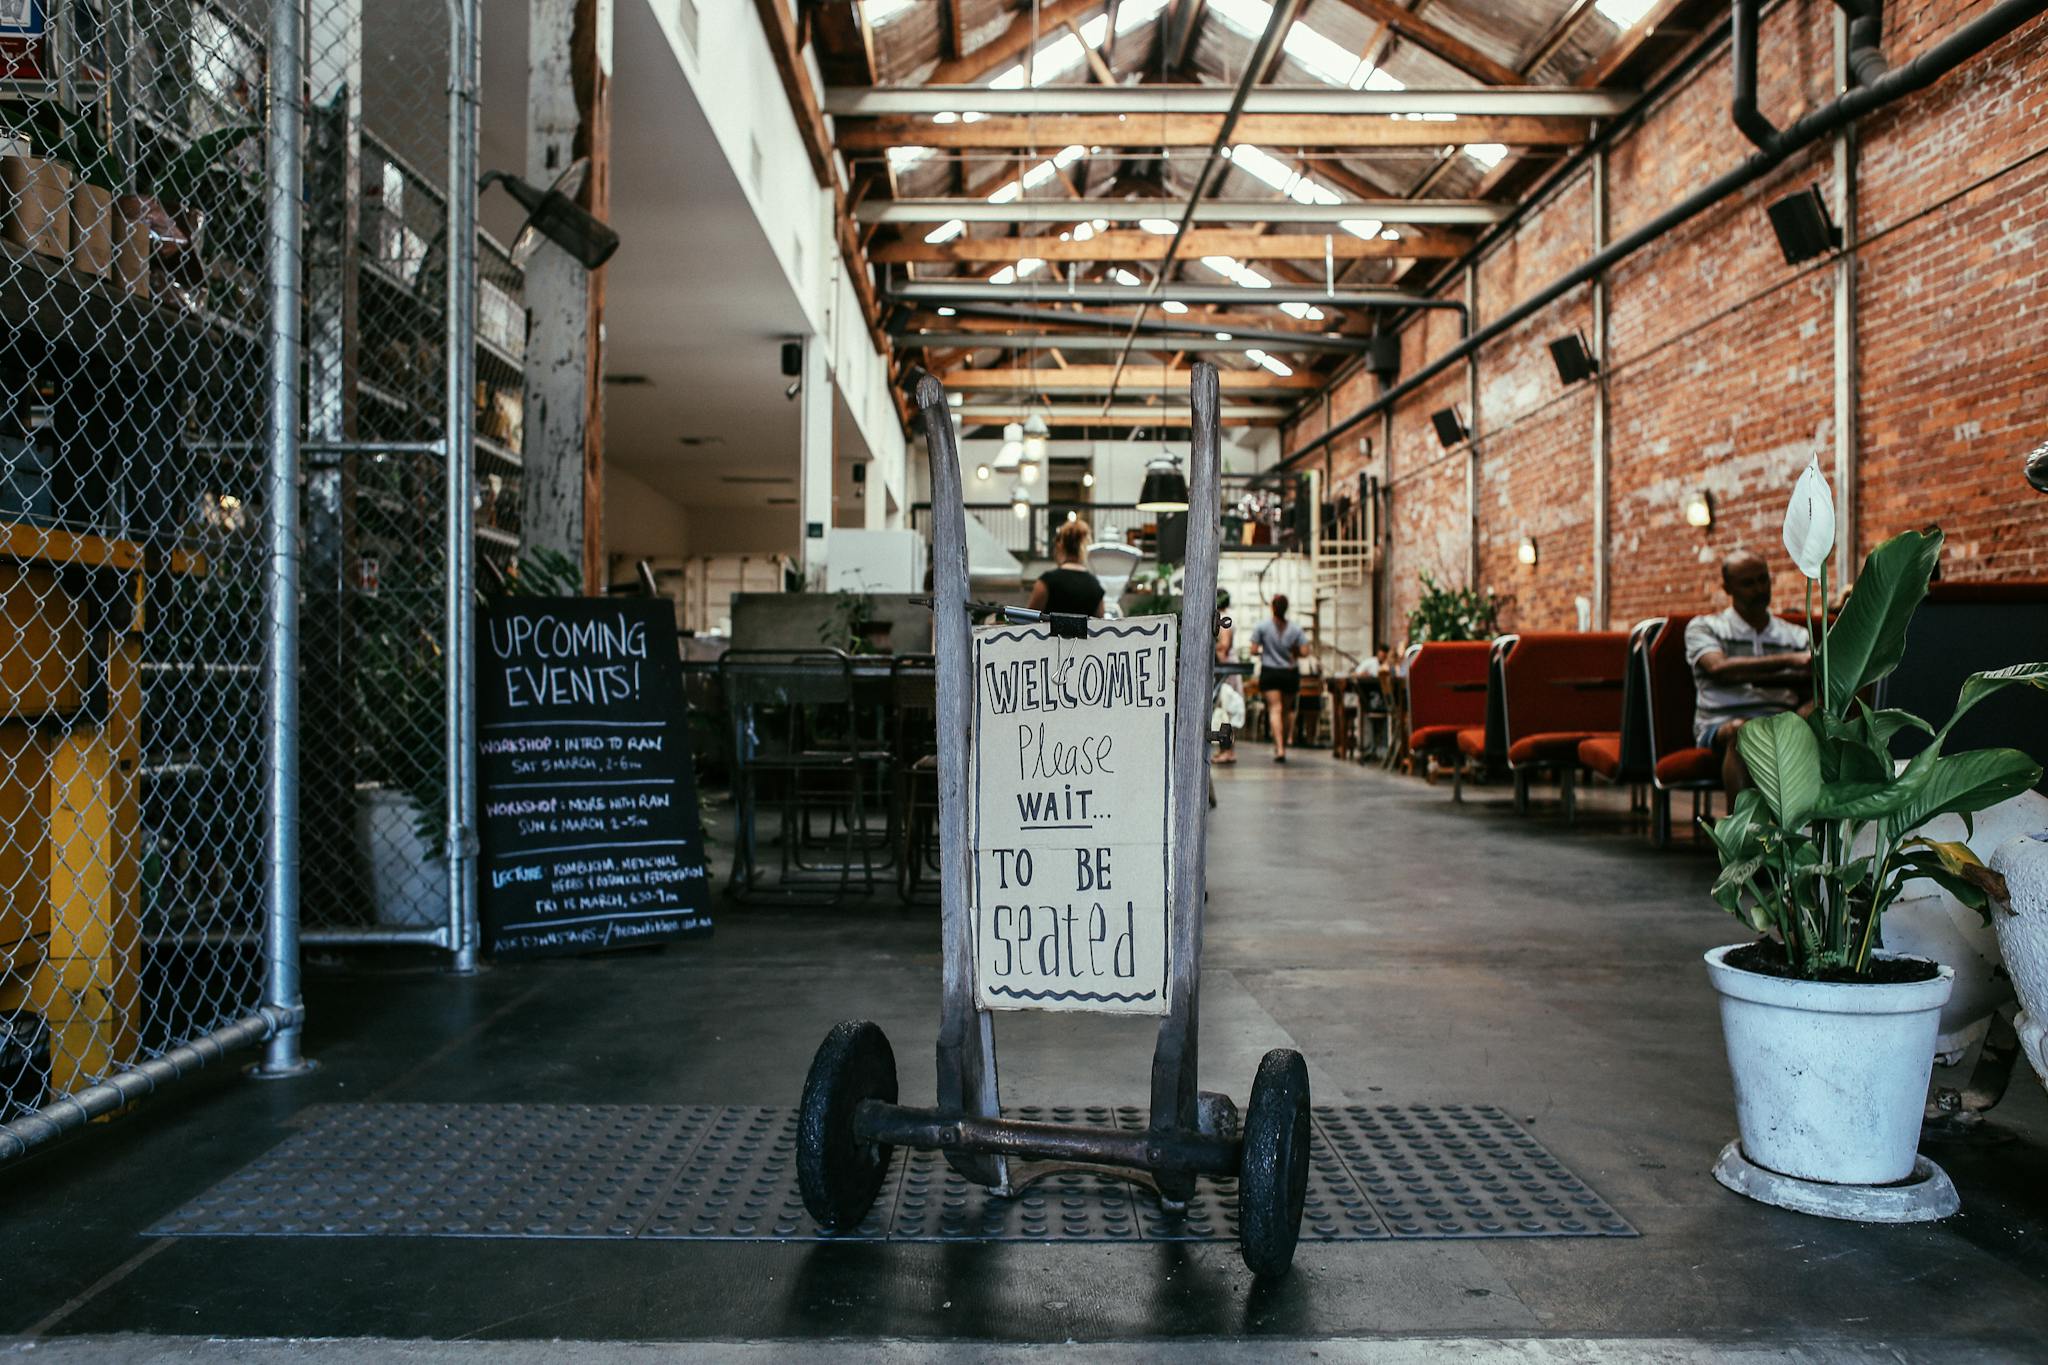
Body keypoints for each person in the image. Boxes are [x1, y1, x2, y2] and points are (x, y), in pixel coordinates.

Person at [1685, 550, 1813, 795]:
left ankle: (1816, 828)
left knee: (1821, 716)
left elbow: (1808, 679)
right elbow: (1718, 669)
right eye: (1748, 583)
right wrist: (1791, 661)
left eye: (1763, 579)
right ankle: (1743, 830)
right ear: (1727, 588)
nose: (1759, 589)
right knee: (1744, 731)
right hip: (1721, 724)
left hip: (1781, 719)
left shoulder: (1795, 634)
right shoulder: (1705, 627)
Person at [1251, 593, 1307, 763]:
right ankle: (1283, 743)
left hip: (1270, 671)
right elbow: (1304, 652)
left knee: (1274, 708)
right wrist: (1292, 653)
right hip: (1289, 672)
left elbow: (1253, 650)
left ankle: (1279, 748)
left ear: (1273, 608)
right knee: (1286, 710)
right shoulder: (1296, 629)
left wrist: (1265, 652)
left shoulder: (1262, 627)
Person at [1027, 518, 1106, 618]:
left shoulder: (1047, 581)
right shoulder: (1095, 586)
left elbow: (1029, 621)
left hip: (1051, 634)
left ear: (1060, 545)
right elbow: (1100, 627)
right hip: (1083, 634)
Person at [1212, 589, 1241, 765]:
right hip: (1229, 669)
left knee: (1226, 710)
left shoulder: (1222, 620)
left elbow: (1223, 646)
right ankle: (1227, 750)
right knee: (1226, 711)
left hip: (1226, 671)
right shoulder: (1226, 617)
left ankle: (1227, 751)